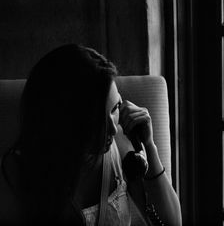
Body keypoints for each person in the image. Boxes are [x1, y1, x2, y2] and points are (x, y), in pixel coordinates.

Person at [0, 44, 182, 225]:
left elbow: (173, 223)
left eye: (115, 108)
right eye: (97, 120)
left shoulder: (122, 144)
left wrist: (149, 147)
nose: (112, 128)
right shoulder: (17, 171)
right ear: (64, 121)